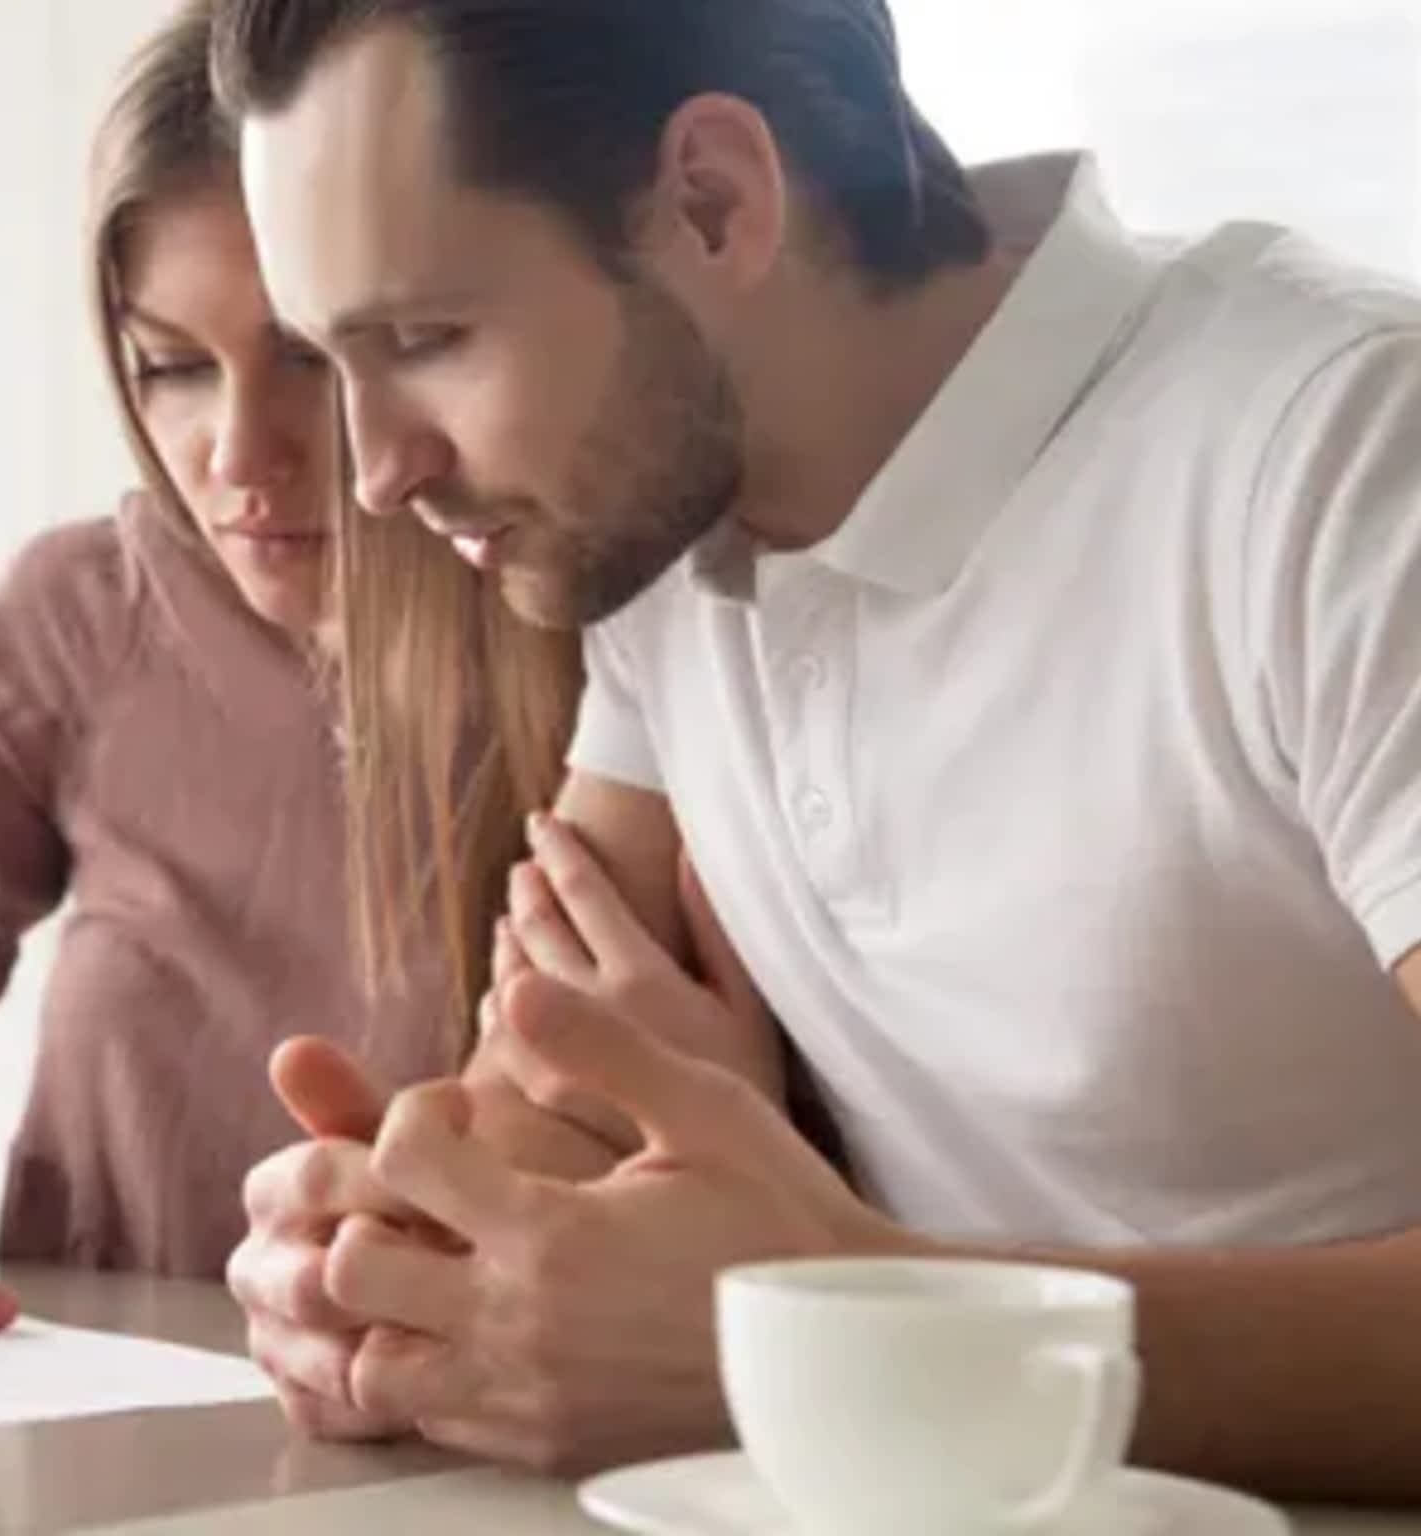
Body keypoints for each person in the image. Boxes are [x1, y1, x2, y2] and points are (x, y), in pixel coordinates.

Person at [209, 0, 1421, 1503]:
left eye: (428, 340)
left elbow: (741, 1289)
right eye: (338, 361)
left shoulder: (1344, 453)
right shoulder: (660, 537)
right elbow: (552, 1130)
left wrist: (828, 1320)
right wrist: (403, 1266)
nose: (377, 470)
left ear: (716, 201)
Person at [0, 0, 559, 1346]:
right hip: (100, 1428)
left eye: (300, 358)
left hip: (440, 1426)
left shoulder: (592, 641)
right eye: (171, 369)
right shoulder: (77, 613)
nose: (239, 457)